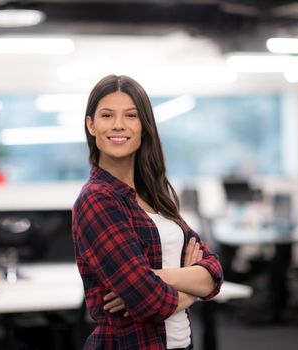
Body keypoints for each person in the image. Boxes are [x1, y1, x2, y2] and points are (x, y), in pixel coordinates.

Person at [72, 74, 223, 350]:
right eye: (107, 115)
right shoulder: (97, 199)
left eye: (130, 115)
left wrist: (156, 276)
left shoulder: (156, 194)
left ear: (143, 126)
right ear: (91, 125)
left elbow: (213, 271)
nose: (119, 125)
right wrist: (191, 285)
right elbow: (147, 301)